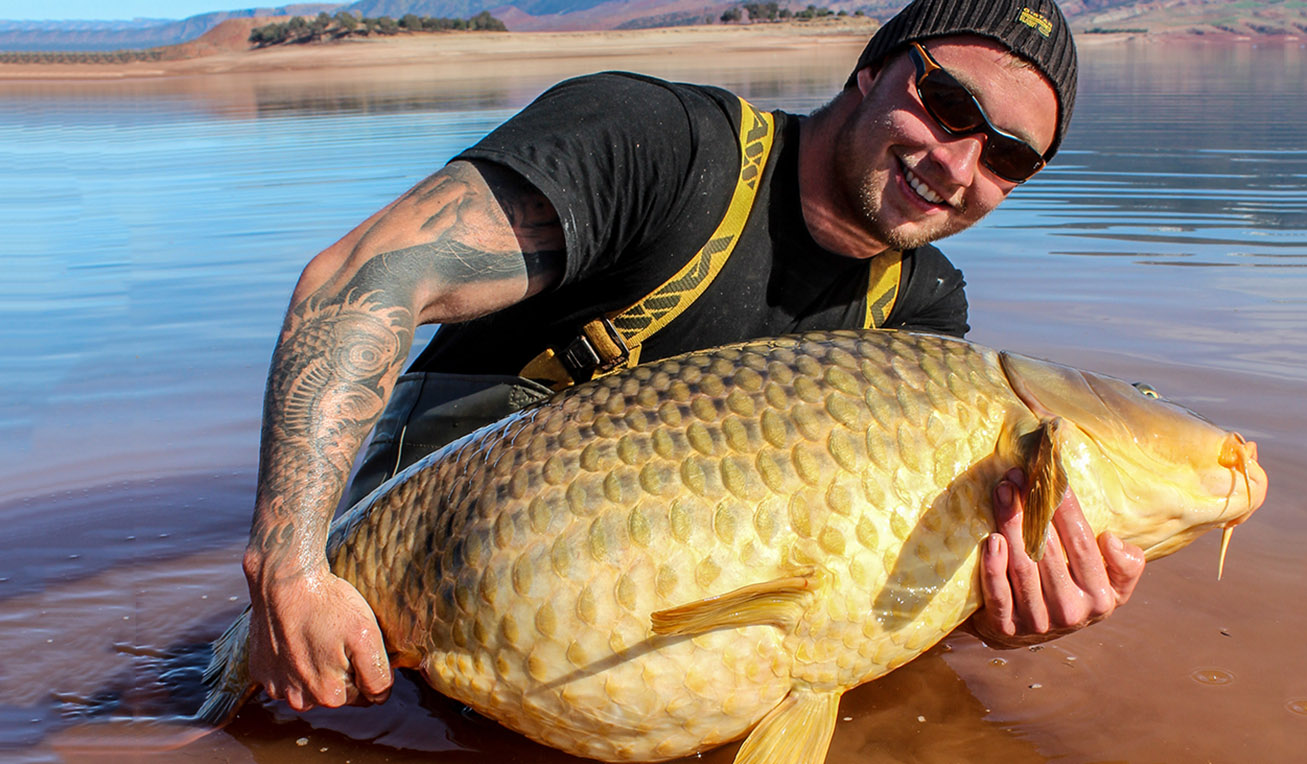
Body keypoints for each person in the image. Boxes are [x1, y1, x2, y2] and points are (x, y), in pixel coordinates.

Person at [242, 0, 1146, 713]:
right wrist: (290, 569)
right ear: (871, 69)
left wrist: (1004, 615)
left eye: (1009, 159)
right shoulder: (658, 143)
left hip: (658, 635)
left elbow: (874, 554)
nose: (958, 163)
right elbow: (357, 283)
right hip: (420, 570)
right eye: (949, 104)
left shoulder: (921, 309)